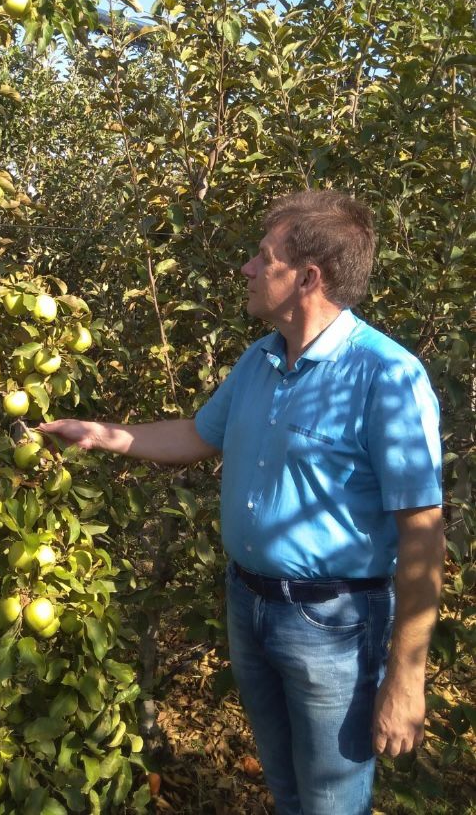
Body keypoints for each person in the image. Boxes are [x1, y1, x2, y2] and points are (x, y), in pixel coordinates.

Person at [40, 189, 444, 815]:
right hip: (248, 603)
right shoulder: (261, 359)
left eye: (264, 257)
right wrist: (100, 434)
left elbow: (422, 533)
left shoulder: (385, 377)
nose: (248, 269)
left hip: (333, 625)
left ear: (308, 277)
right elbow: (199, 435)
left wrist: (407, 679)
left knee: (331, 803)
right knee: (286, 790)